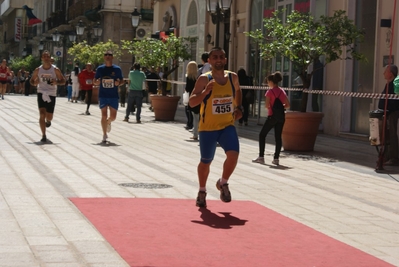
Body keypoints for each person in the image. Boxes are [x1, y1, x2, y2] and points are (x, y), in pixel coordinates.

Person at [188, 47, 242, 208]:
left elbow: (238, 91)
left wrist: (239, 108)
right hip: (208, 128)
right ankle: (202, 190)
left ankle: (223, 183)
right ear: (209, 61)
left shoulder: (233, 77)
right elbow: (192, 102)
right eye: (215, 57)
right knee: (206, 161)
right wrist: (204, 93)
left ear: (225, 60)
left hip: (227, 125)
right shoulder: (204, 79)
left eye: (221, 57)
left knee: (233, 155)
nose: (218, 59)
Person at [252, 71, 290, 166]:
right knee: (278, 137)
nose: (267, 83)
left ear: (271, 82)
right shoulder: (282, 91)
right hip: (281, 117)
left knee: (262, 135)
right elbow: (287, 105)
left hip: (271, 116)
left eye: (268, 82)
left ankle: (261, 157)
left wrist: (272, 107)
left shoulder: (269, 92)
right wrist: (280, 107)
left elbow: (266, 105)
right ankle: (276, 158)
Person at [30, 50, 66, 142]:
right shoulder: (38, 70)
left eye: (47, 57)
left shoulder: (55, 70)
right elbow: (31, 80)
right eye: (44, 56)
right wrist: (35, 83)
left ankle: (48, 121)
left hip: (51, 93)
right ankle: (43, 135)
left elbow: (63, 81)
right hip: (41, 92)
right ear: (42, 58)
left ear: (50, 58)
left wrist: (56, 82)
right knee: (42, 113)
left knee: (49, 116)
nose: (46, 58)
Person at [94, 50, 124, 143]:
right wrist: (97, 82)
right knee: (103, 115)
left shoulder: (117, 69)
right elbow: (94, 80)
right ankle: (104, 135)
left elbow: (122, 81)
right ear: (104, 57)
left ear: (112, 57)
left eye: (109, 55)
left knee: (113, 116)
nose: (107, 56)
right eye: (106, 55)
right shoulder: (100, 69)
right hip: (103, 95)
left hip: (113, 95)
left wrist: (118, 83)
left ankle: (108, 122)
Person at [378, 64, 399, 165]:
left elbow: (394, 101)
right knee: (386, 135)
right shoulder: (388, 83)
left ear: (390, 73)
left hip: (392, 113)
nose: (383, 73)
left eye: (385, 71)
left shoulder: (395, 84)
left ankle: (394, 157)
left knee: (392, 134)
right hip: (386, 113)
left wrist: (387, 108)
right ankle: (387, 156)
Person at [185, 61, 199, 138]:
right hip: (199, 97)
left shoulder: (189, 78)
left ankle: (195, 133)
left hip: (192, 97)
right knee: (199, 116)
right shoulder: (199, 77)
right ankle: (198, 132)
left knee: (195, 117)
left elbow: (187, 88)